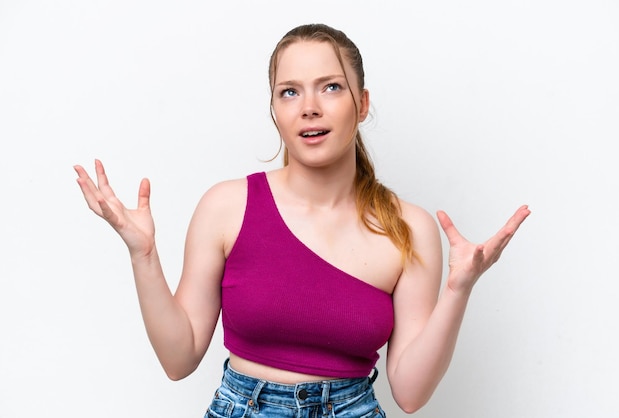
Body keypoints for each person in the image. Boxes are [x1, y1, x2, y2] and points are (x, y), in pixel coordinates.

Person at [74, 23, 530, 417]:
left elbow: (410, 394)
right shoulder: (226, 206)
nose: (308, 107)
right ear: (275, 109)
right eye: (289, 91)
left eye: (330, 87)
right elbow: (179, 359)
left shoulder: (408, 228)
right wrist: (144, 255)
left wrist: (458, 290)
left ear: (363, 102)